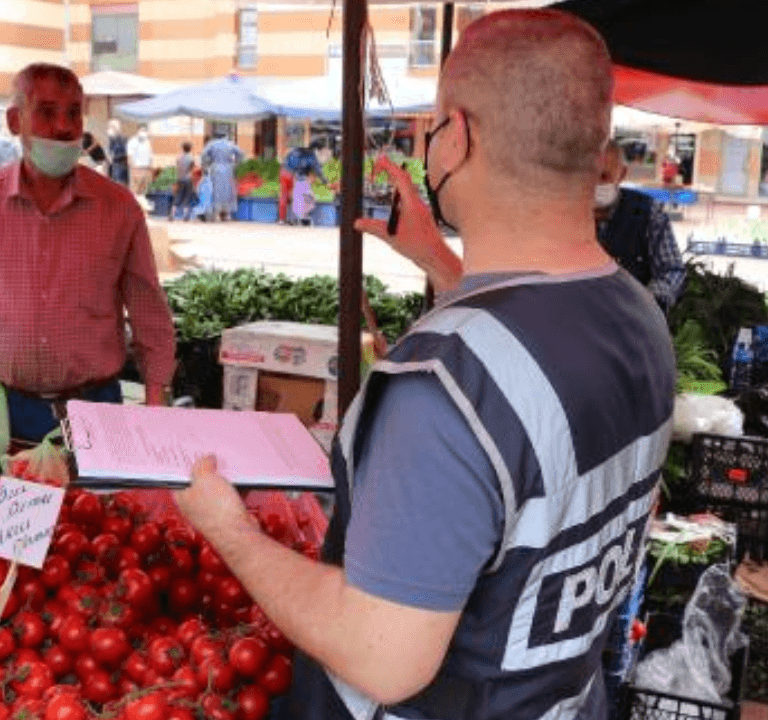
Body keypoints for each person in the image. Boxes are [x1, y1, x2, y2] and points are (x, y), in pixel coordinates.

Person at [173, 9, 676, 720]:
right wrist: (441, 263)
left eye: (435, 127)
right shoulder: (636, 314)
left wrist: (230, 531)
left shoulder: (442, 392)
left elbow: (384, 658)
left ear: (458, 138)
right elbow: (535, 365)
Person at [0, 62, 176, 441]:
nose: (65, 127)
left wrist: (155, 398)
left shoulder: (119, 208)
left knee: (92, 503)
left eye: (74, 113)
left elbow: (148, 308)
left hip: (94, 408)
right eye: (47, 112)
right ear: (14, 120)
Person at [595, 140, 687, 313]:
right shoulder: (567, 212)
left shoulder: (648, 211)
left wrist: (647, 302)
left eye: (604, 177)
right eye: (589, 176)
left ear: (621, 175)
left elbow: (672, 270)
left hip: (632, 319)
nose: (595, 185)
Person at [280, 140, 328, 224]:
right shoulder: (311, 155)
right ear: (316, 149)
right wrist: (325, 181)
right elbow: (317, 169)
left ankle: (284, 219)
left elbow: (286, 160)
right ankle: (297, 217)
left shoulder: (295, 151)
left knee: (287, 196)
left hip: (285, 172)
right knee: (301, 196)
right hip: (295, 176)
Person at [201, 133, 245, 222]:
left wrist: (207, 164)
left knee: (215, 191)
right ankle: (226, 214)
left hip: (215, 168)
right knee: (228, 191)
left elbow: (203, 155)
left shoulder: (212, 144)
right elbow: (241, 153)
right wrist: (236, 163)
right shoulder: (230, 143)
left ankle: (215, 214)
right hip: (228, 168)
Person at [171, 141, 197, 221]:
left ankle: (172, 215)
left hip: (180, 179)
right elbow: (192, 168)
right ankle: (186, 216)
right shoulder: (191, 157)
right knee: (187, 197)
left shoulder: (179, 157)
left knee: (178, 197)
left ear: (183, 148)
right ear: (190, 149)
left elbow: (178, 166)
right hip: (188, 179)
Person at [127, 125, 154, 195]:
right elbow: (129, 157)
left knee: (145, 192)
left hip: (146, 169)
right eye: (142, 130)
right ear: (138, 131)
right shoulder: (132, 141)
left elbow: (150, 156)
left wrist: (150, 169)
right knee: (135, 191)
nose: (143, 132)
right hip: (137, 169)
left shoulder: (147, 142)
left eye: (145, 130)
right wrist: (133, 169)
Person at [107, 119, 129, 185]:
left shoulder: (123, 139)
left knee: (120, 185)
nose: (109, 129)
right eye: (109, 127)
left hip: (121, 166)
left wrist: (114, 157)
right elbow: (110, 151)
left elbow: (125, 153)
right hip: (113, 167)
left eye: (112, 127)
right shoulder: (111, 139)